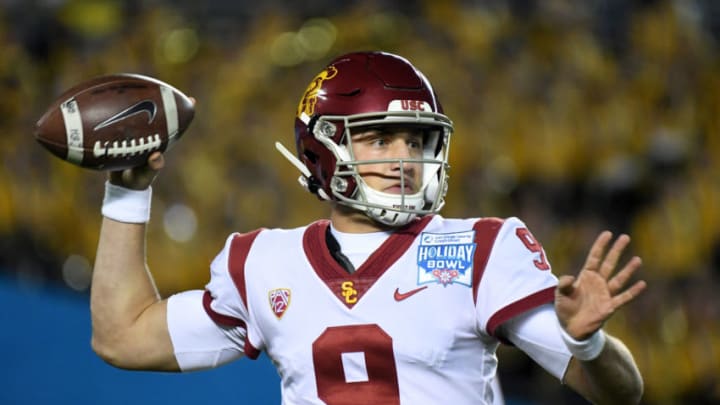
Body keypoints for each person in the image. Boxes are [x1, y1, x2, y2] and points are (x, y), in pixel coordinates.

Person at [90, 51, 647, 404]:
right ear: (322, 149)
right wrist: (128, 190)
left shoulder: (480, 248)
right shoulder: (261, 263)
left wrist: (589, 342)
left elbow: (622, 394)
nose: (405, 158)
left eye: (416, 139)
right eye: (381, 139)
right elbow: (123, 338)